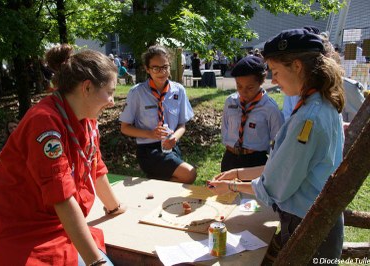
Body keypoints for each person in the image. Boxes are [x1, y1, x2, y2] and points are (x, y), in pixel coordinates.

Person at [0, 44, 125, 266]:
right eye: (110, 92)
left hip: (59, 227)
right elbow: (61, 197)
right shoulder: (44, 122)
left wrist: (115, 207)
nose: (112, 101)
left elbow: (95, 165)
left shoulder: (87, 119)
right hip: (22, 237)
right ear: (87, 88)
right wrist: (96, 262)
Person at [208, 29, 345, 264]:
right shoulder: (320, 104)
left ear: (298, 67)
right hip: (317, 220)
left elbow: (276, 184)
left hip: (308, 227)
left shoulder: (307, 119)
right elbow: (287, 164)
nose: (274, 80)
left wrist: (232, 186)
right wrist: (239, 174)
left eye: (277, 72)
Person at [119, 44, 196, 184]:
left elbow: (182, 125)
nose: (162, 72)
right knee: (189, 174)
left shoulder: (178, 90)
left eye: (165, 67)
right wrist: (150, 134)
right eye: (156, 68)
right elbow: (125, 128)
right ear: (147, 69)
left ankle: (154, 185)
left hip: (171, 147)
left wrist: (175, 138)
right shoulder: (137, 93)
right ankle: (154, 182)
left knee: (175, 184)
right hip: (149, 150)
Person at [221, 56, 284, 172]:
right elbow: (225, 128)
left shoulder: (269, 108)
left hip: (255, 160)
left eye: (249, 87)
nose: (243, 92)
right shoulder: (230, 102)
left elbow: (278, 139)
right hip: (230, 157)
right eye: (239, 86)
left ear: (261, 81)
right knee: (227, 189)